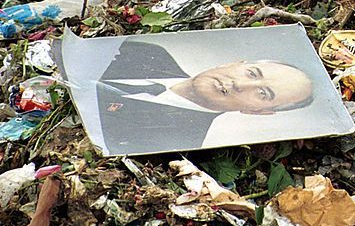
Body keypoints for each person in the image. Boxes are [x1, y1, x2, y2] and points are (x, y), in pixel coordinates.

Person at [95, 39, 314, 155]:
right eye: (252, 73)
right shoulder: (150, 52)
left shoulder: (177, 142)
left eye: (262, 93)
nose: (240, 84)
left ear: (257, 111)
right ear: (234, 64)